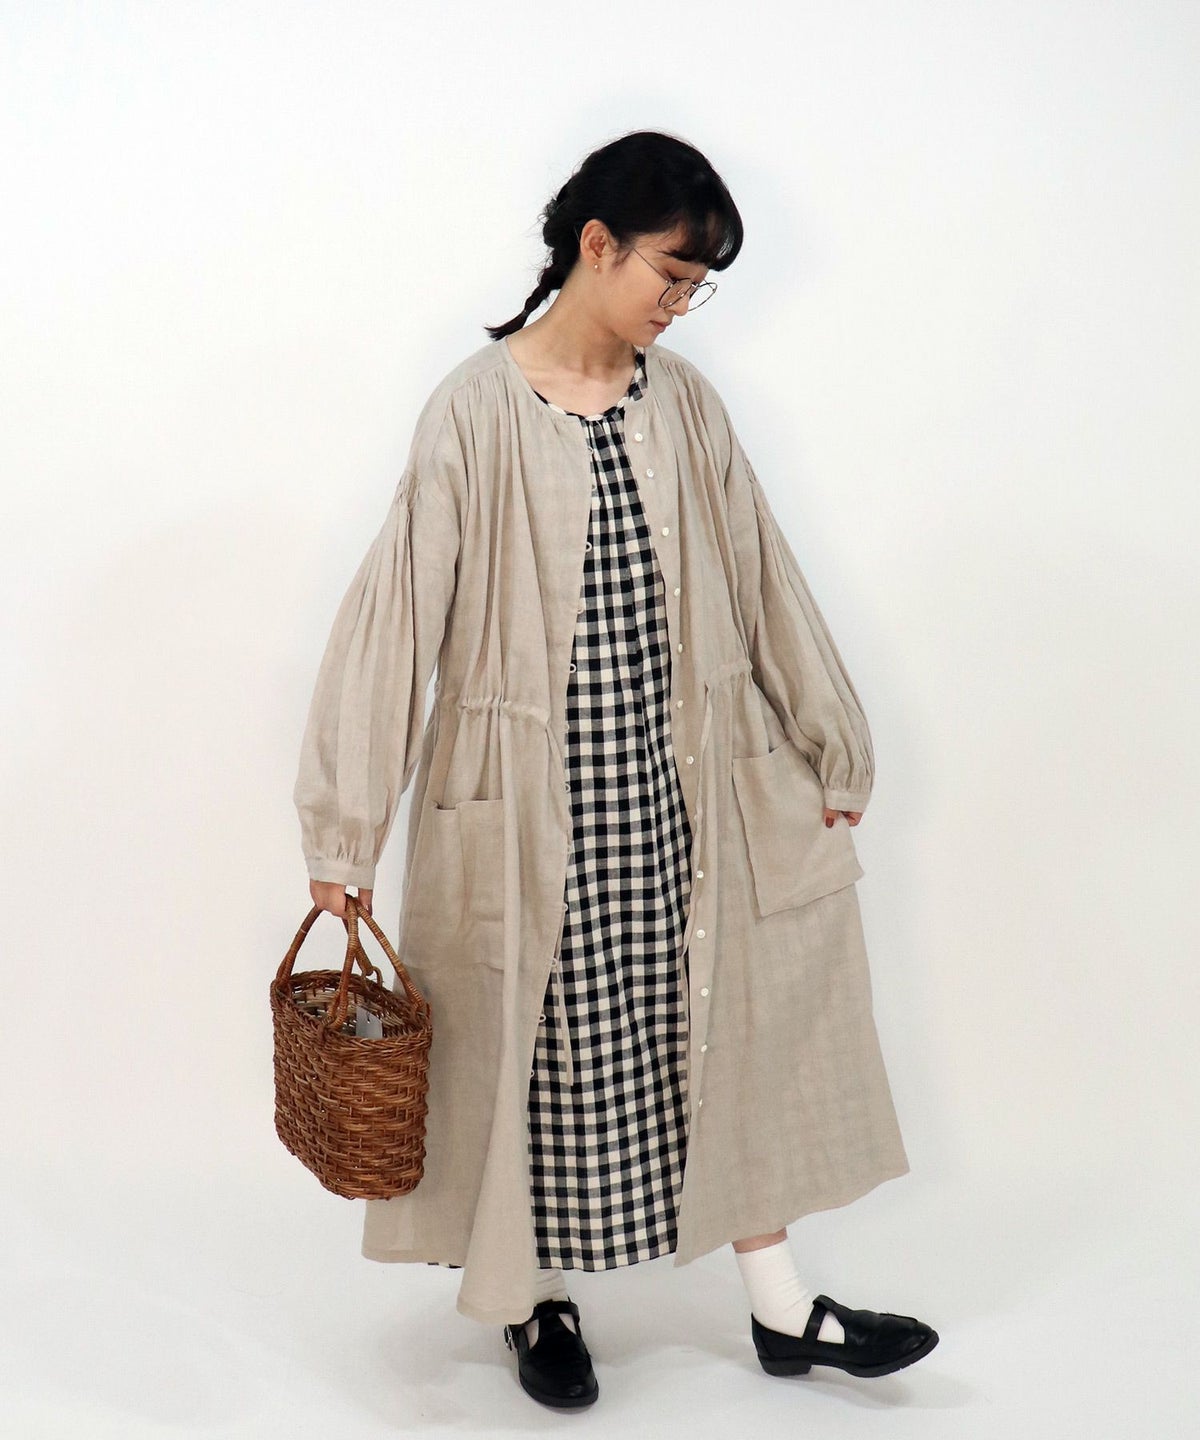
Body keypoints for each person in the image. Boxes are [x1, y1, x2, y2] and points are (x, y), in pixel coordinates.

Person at [294, 129, 937, 1411]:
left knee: (720, 1024)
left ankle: (783, 1308)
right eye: (672, 275)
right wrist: (344, 834)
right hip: (528, 811)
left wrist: (830, 738)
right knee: (528, 1052)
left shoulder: (685, 404)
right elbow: (395, 620)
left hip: (679, 793)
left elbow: (761, 573)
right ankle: (534, 1301)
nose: (680, 305)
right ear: (598, 245)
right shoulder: (475, 411)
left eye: (699, 287)